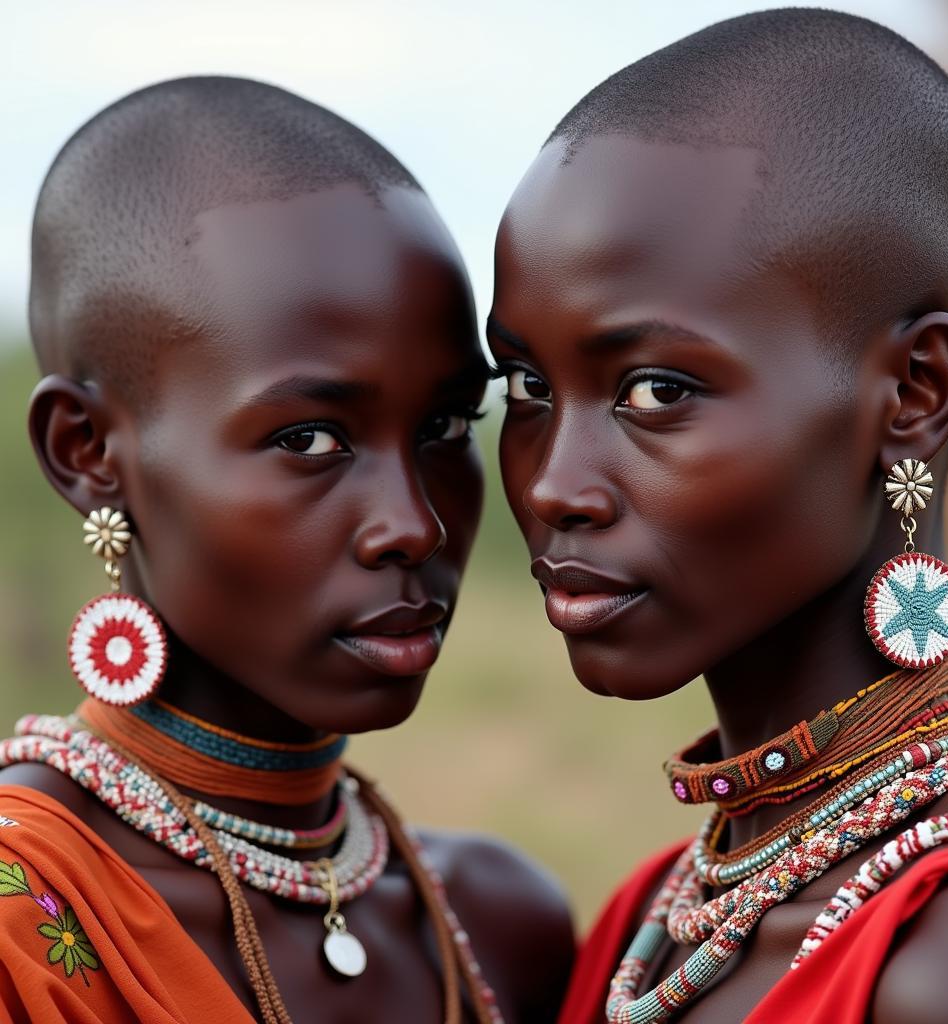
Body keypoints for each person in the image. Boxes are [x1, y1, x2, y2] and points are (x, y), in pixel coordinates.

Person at [487, 10, 948, 1023]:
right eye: (523, 385)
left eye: (653, 390)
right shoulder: (640, 930)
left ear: (913, 392)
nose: (555, 483)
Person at [0, 76, 574, 1024]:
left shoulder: (499, 923)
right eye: (310, 439)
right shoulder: (29, 932)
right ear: (88, 452)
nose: (415, 525)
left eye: (445, 426)